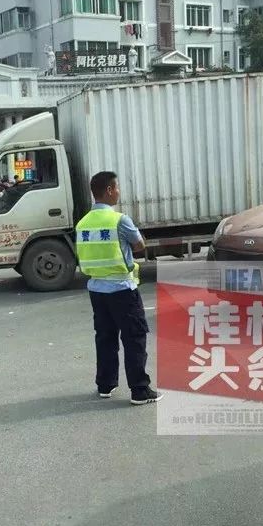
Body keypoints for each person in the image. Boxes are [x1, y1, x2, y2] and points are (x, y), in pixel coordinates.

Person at [75, 171, 162, 405]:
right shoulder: (119, 220)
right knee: (134, 338)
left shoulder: (83, 223)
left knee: (105, 337)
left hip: (96, 290)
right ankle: (140, 391)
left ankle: (105, 384)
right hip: (122, 289)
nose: (119, 192)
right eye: (118, 187)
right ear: (110, 190)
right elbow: (139, 245)